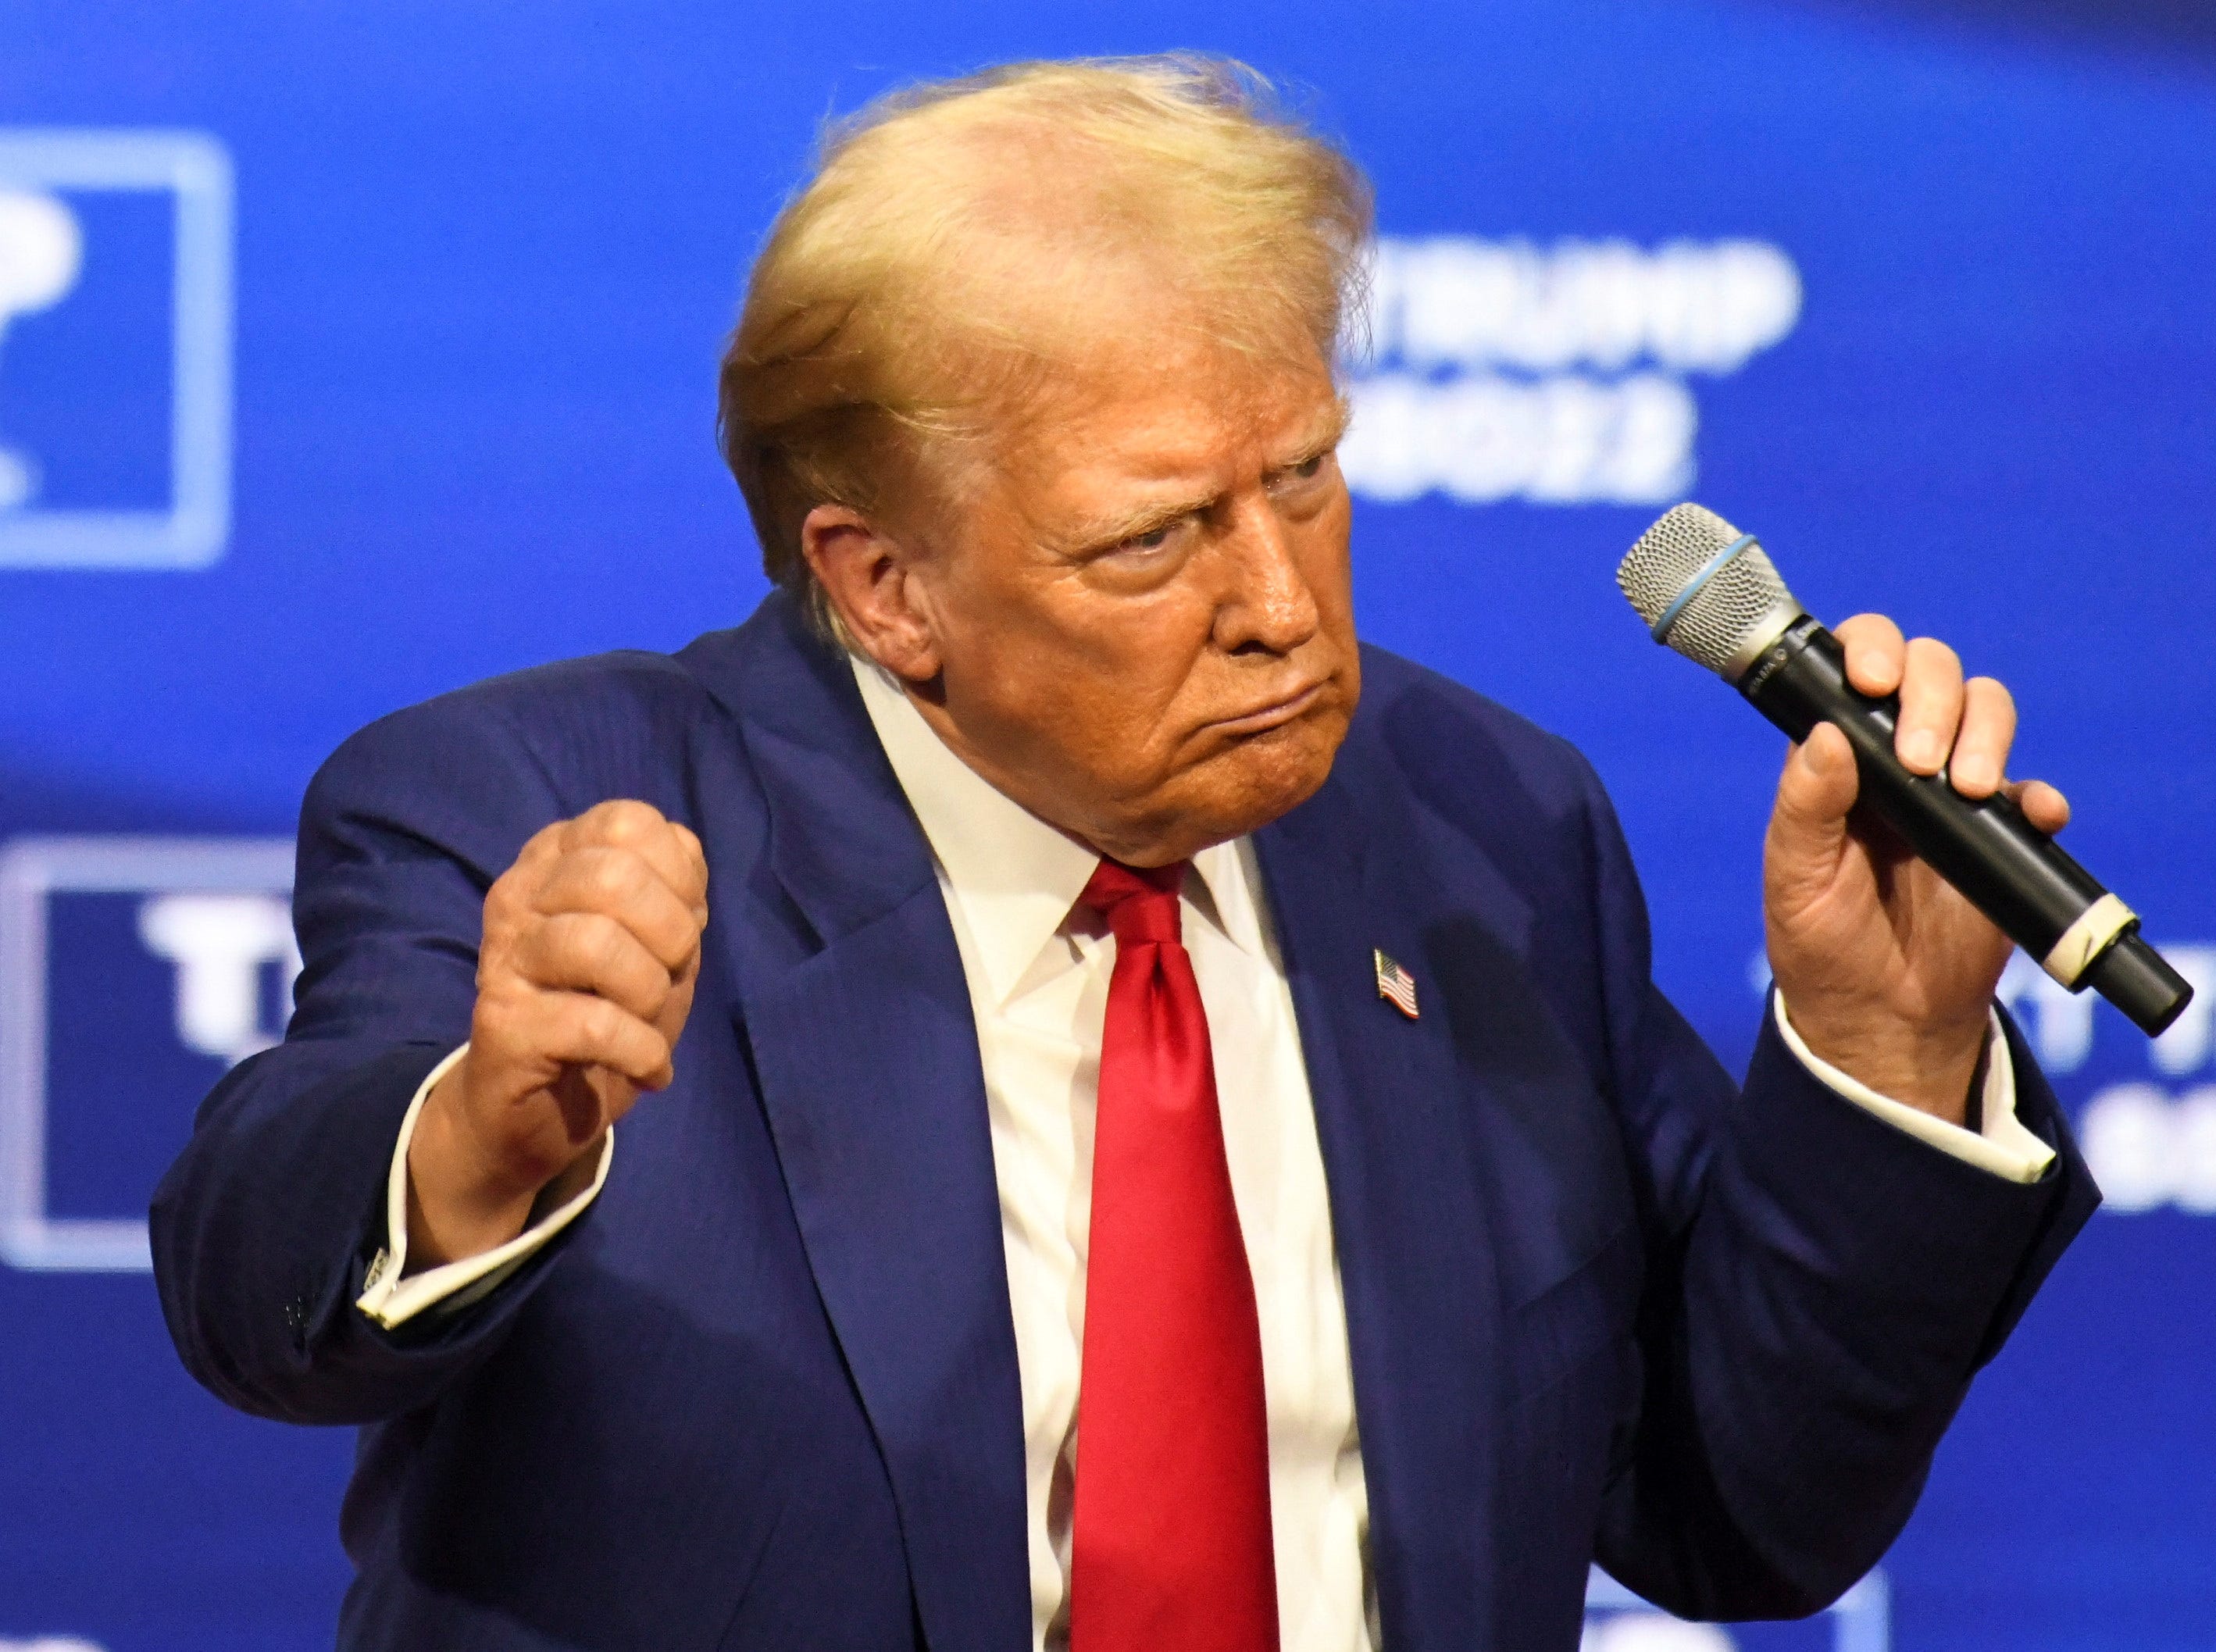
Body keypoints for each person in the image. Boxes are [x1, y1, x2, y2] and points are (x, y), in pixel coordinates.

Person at [152, 55, 2096, 1652]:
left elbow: (1741, 1514)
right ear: (885, 584)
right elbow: (252, 1282)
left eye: (1308, 478)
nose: (1282, 604)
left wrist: (1878, 1056)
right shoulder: (527, 800)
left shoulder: (1484, 823)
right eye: (1153, 538)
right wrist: (481, 1132)